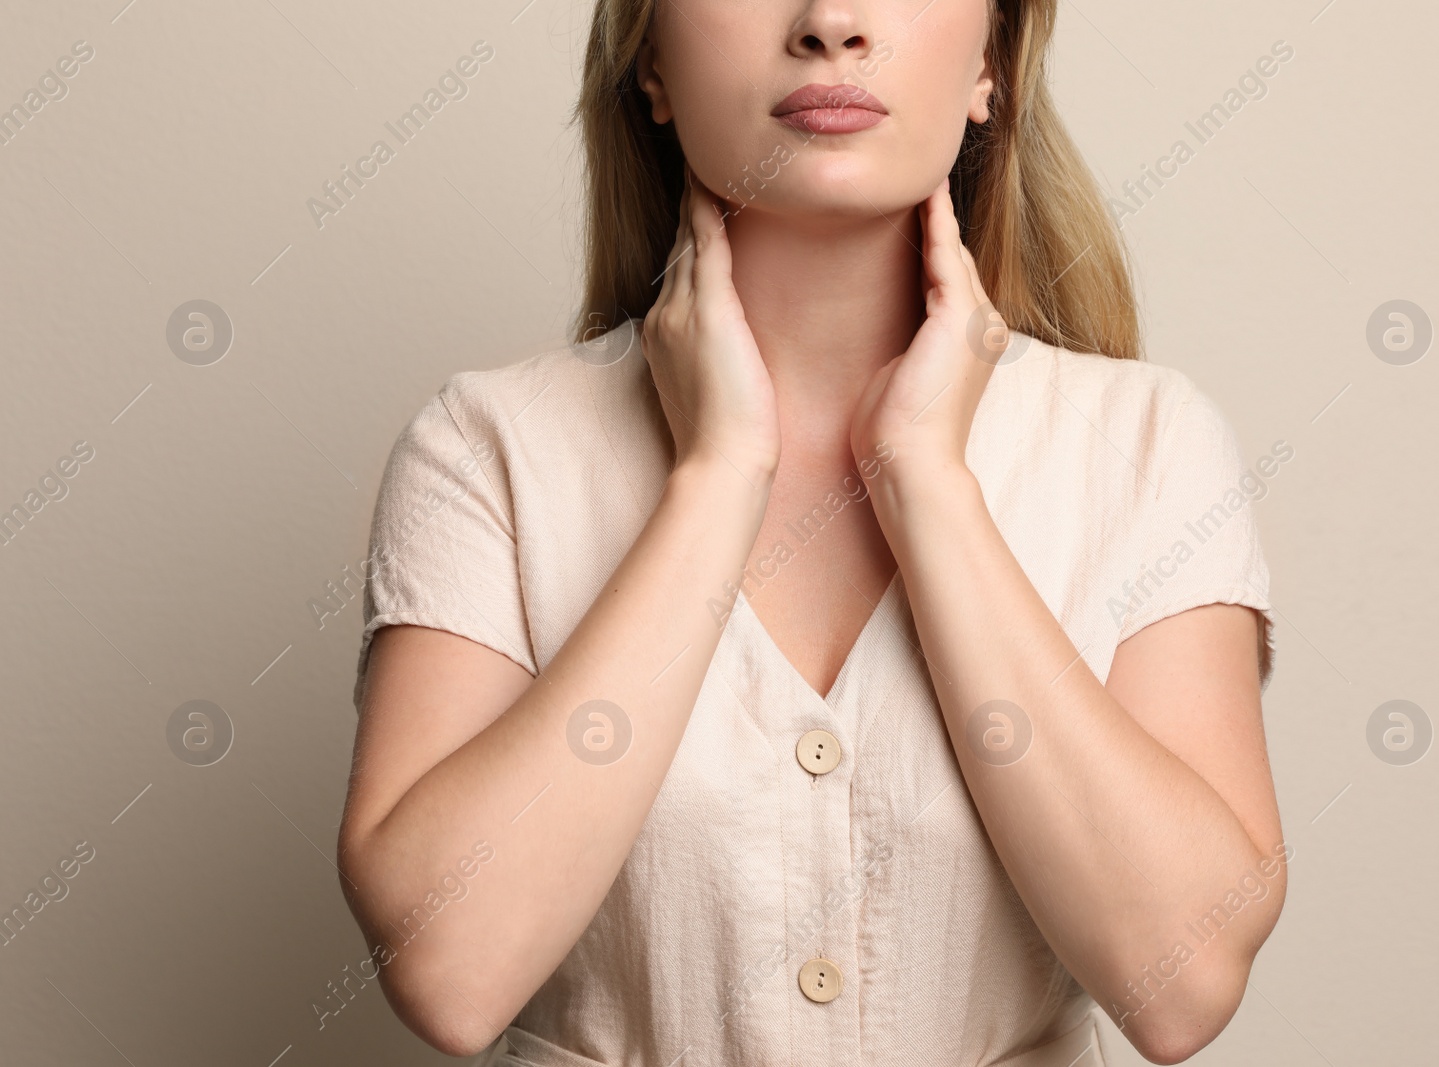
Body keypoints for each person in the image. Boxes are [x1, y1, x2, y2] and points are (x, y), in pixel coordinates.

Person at [336, 0, 1289, 1061]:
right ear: (648, 60)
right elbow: (449, 970)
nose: (830, 21)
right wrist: (715, 479)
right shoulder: (485, 450)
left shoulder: (1147, 445)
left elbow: (1183, 983)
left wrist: (926, 483)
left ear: (992, 63)